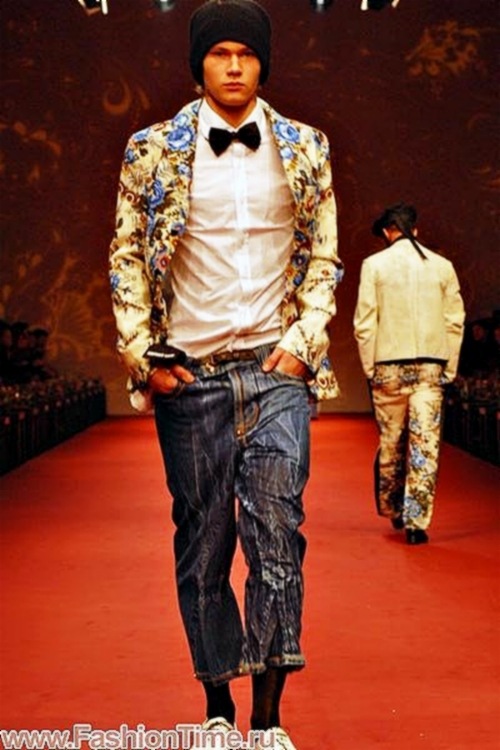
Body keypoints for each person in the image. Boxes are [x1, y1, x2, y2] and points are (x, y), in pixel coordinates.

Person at [109, 1, 343, 747]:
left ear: (263, 63)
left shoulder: (306, 147)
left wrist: (304, 341)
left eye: (247, 52)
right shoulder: (151, 150)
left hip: (277, 372)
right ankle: (218, 707)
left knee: (279, 536)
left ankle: (268, 721)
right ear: (199, 64)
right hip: (193, 379)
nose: (235, 65)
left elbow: (324, 257)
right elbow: (125, 257)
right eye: (220, 53)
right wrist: (145, 355)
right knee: (204, 545)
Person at [353, 202, 464, 545]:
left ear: (388, 232)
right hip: (430, 366)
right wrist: (450, 366)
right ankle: (417, 523)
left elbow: (365, 323)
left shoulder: (374, 265)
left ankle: (394, 508)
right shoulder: (442, 267)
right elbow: (454, 321)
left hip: (389, 366)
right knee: (424, 444)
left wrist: (370, 367)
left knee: (392, 440)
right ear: (415, 230)